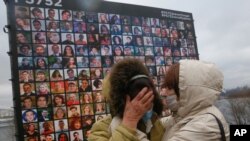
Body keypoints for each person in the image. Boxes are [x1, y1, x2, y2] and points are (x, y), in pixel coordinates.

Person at [89, 58, 164, 140]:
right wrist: (129, 122)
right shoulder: (101, 129)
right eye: (138, 98)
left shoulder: (155, 124)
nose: (145, 104)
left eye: (148, 96)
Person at [160, 60, 229, 140]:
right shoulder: (183, 115)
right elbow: (159, 124)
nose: (163, 93)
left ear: (186, 91)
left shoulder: (205, 125)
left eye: (169, 88)